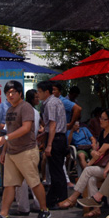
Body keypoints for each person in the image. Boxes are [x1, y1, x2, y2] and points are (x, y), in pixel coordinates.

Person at [0, 81, 50, 218]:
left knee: (34, 182)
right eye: (8, 92)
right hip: (12, 153)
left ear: (20, 93)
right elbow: (10, 131)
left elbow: (26, 128)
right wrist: (4, 152)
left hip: (26, 151)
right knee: (9, 185)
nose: (10, 95)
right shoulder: (9, 111)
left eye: (13, 92)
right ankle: (3, 215)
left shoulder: (25, 107)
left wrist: (6, 138)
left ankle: (44, 210)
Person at [57, 108, 109, 218]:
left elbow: (100, 153)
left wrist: (88, 165)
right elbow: (97, 150)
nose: (100, 120)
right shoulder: (103, 133)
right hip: (103, 167)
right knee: (91, 179)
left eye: (103, 119)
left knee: (88, 171)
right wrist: (93, 153)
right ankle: (96, 209)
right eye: (100, 118)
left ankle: (72, 198)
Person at [38, 80, 68, 208]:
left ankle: (59, 199)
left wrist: (49, 144)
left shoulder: (50, 103)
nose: (38, 94)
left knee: (56, 171)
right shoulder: (56, 101)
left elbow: (52, 124)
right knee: (57, 170)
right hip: (59, 138)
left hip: (56, 139)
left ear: (46, 92)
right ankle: (58, 198)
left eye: (39, 91)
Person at [14, 89, 42, 216]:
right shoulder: (35, 112)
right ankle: (38, 204)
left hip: (23, 148)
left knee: (22, 179)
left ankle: (23, 207)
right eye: (36, 97)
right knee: (33, 177)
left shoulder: (22, 111)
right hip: (32, 146)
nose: (38, 99)